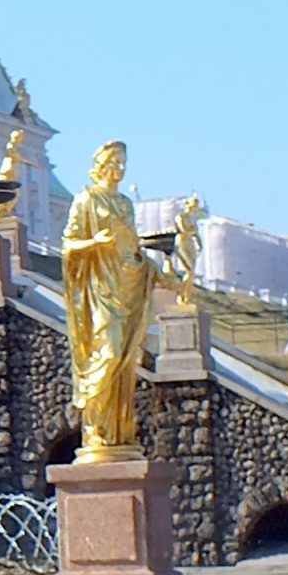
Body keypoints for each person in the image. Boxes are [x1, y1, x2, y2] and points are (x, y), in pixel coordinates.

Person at [61, 139, 169, 457]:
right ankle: (92, 419)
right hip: (99, 290)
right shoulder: (86, 199)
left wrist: (157, 272)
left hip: (127, 286)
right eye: (115, 162)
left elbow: (132, 250)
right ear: (101, 164)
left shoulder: (125, 204)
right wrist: (94, 242)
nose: (120, 168)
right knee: (108, 353)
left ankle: (117, 434)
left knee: (125, 363)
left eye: (123, 163)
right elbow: (68, 245)